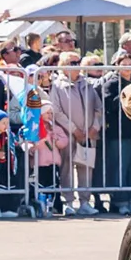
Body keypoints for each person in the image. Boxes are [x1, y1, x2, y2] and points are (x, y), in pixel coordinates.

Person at [49, 52, 104, 215]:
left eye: (78, 62)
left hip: (89, 134)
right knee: (66, 167)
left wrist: (95, 127)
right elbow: (56, 111)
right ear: (64, 66)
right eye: (73, 63)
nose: (77, 65)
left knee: (86, 167)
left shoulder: (87, 84)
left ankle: (85, 202)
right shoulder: (57, 86)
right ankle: (68, 202)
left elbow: (98, 108)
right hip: (68, 134)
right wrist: (74, 130)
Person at [99, 53, 131, 215]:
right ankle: (120, 201)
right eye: (124, 63)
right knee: (120, 168)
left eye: (130, 63)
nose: (127, 66)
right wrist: (127, 95)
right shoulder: (111, 84)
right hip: (119, 133)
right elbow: (109, 105)